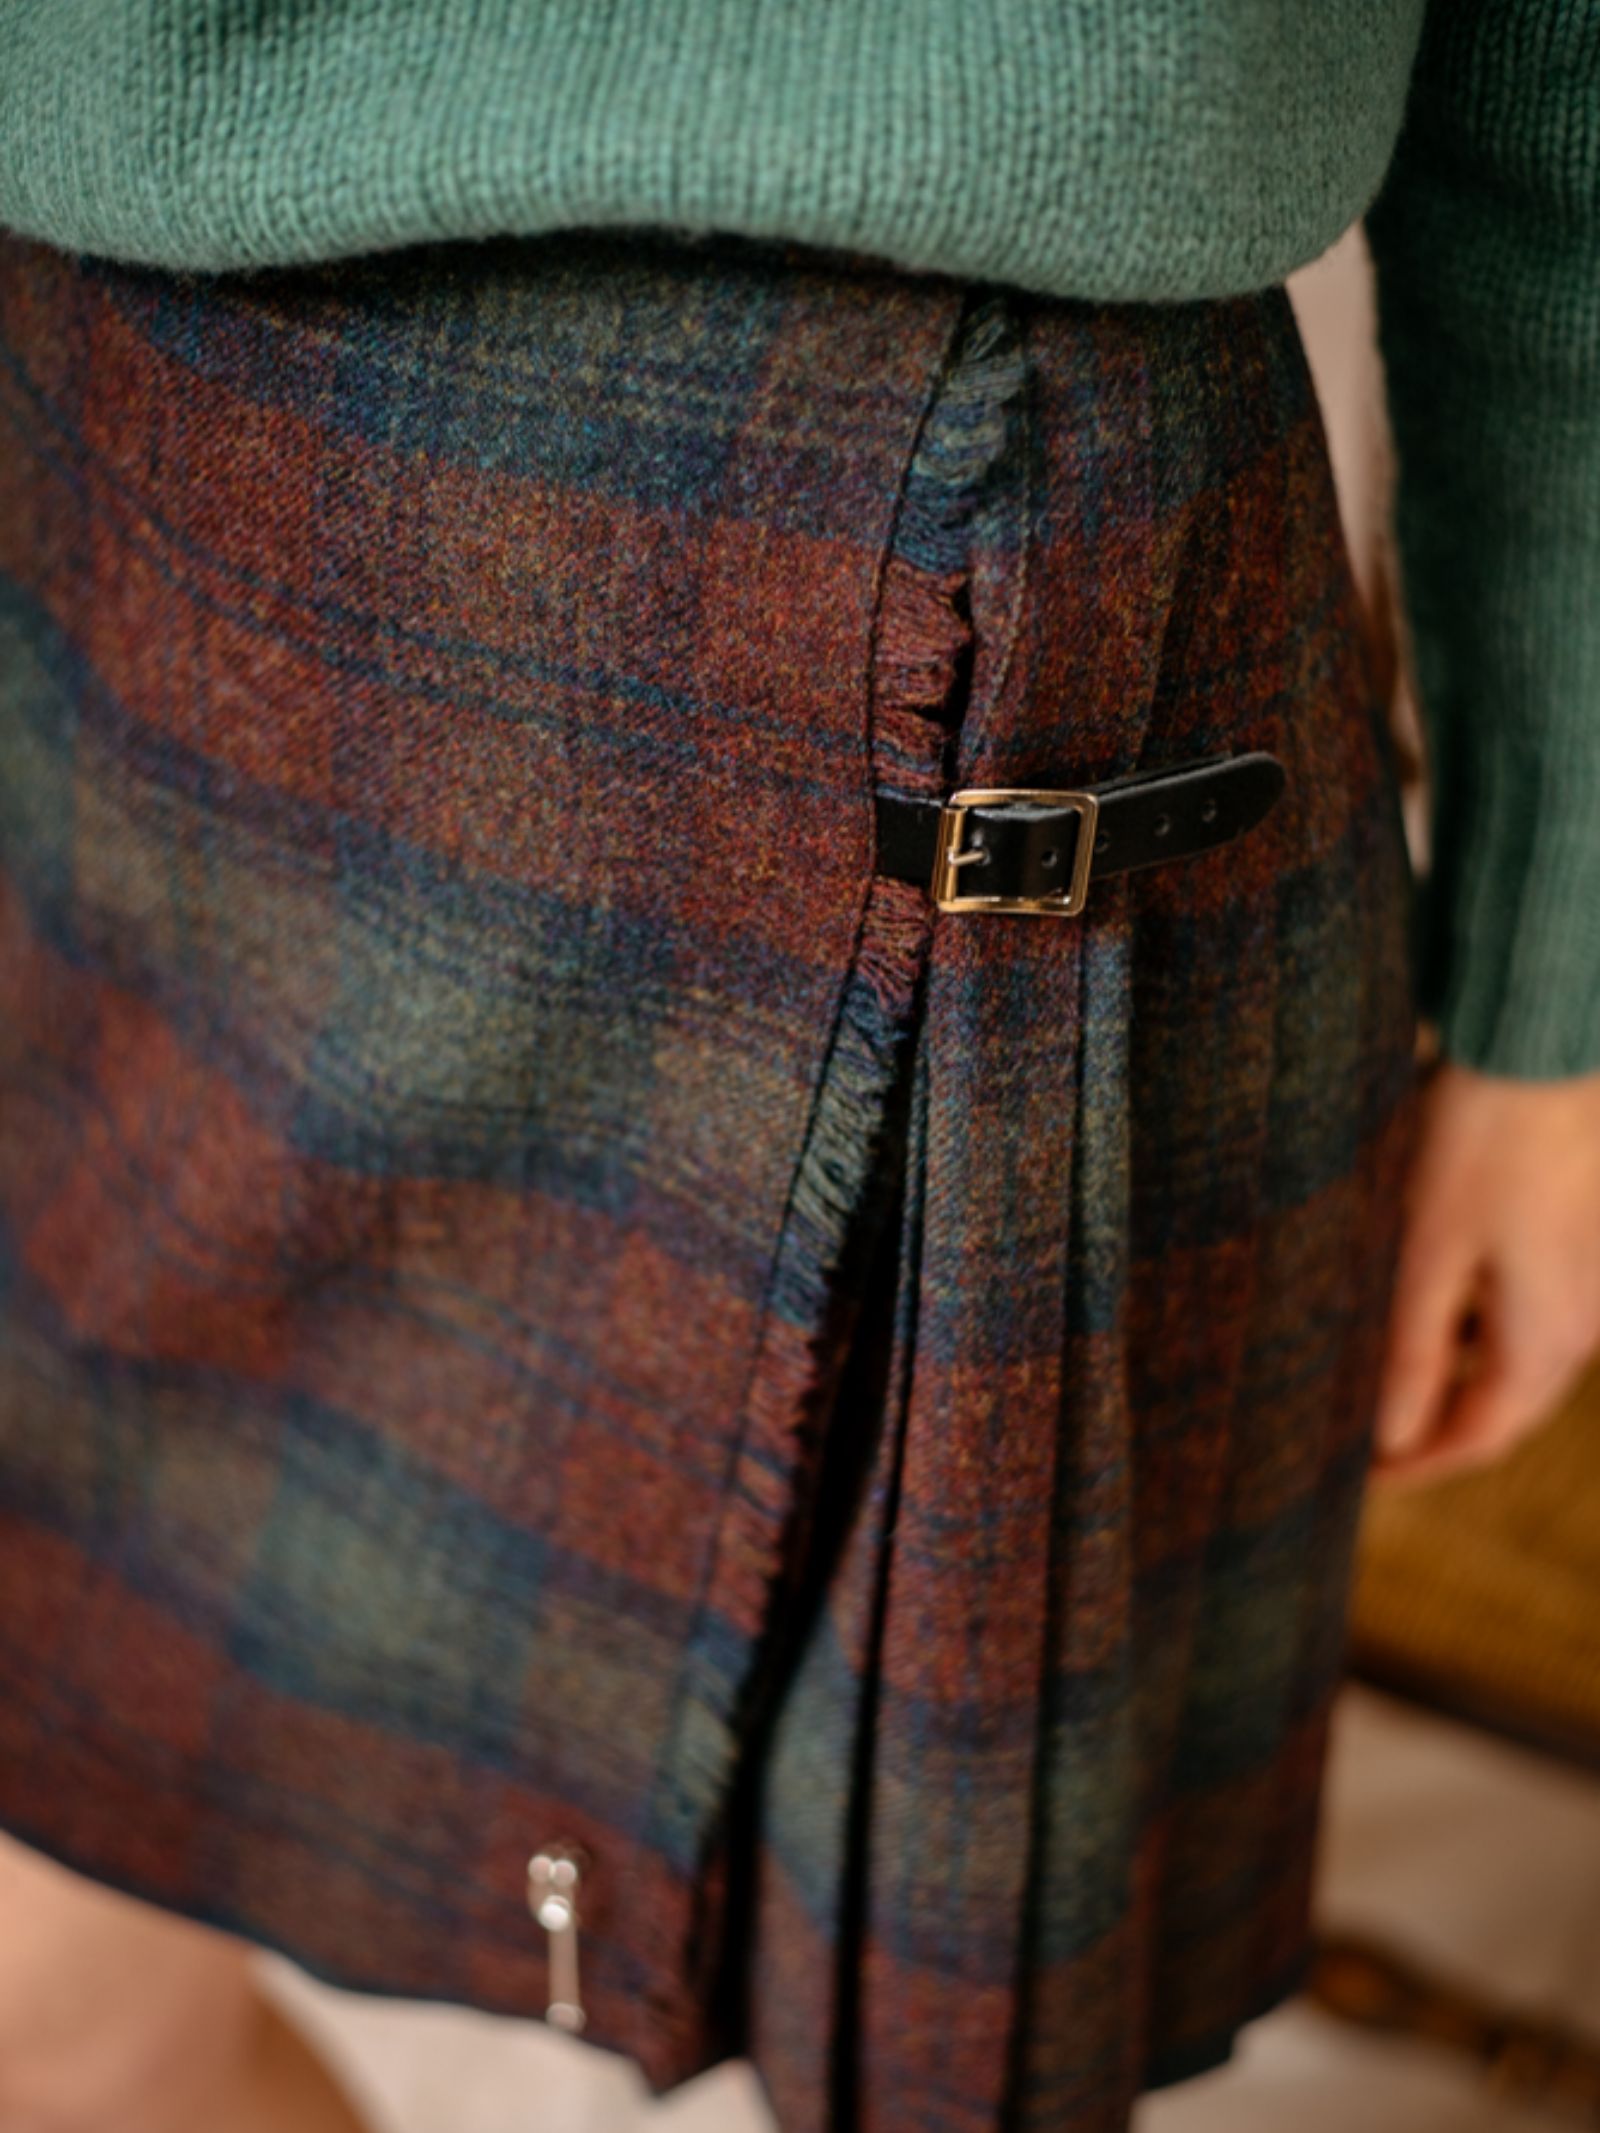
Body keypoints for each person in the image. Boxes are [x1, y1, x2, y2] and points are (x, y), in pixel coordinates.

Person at [0, 5, 1596, 2131]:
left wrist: (1550, 977)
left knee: (915, 2056)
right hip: (106, 447)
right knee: (55, 1943)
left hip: (900, 517)